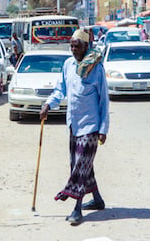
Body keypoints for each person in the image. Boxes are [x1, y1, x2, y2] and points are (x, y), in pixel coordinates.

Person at [39, 29, 109, 226]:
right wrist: (47, 105)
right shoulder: (68, 65)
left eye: (77, 46)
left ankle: (77, 209)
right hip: (73, 123)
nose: (73, 49)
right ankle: (97, 199)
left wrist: (104, 128)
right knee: (82, 164)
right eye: (71, 45)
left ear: (86, 46)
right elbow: (60, 89)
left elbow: (104, 99)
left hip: (91, 125)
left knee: (80, 166)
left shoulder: (96, 68)